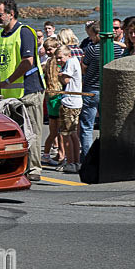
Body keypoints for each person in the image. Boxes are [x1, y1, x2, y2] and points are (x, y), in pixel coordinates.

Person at [0, 0, 46, 182]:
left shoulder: (25, 33)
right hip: (9, 94)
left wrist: (7, 81)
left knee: (32, 130)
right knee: (14, 132)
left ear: (11, 14)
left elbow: (27, 62)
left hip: (29, 91)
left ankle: (34, 168)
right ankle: (17, 166)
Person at [79, 21, 124, 163]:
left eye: (92, 36)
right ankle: (108, 156)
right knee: (108, 125)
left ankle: (87, 158)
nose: (90, 39)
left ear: (98, 35)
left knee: (87, 127)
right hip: (108, 90)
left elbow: (84, 67)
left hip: (91, 89)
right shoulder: (117, 50)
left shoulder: (92, 50)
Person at [55, 45, 82, 174]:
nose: (58, 60)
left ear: (68, 55)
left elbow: (65, 80)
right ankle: (76, 161)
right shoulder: (75, 61)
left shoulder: (70, 62)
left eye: (60, 58)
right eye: (57, 58)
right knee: (73, 133)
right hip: (76, 102)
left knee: (66, 134)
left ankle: (71, 162)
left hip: (70, 102)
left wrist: (59, 74)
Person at [41, 37, 64, 167]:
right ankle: (61, 154)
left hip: (49, 96)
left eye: (50, 49)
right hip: (56, 97)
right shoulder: (56, 63)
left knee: (53, 131)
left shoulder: (48, 62)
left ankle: (46, 154)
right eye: (47, 49)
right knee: (60, 131)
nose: (48, 51)